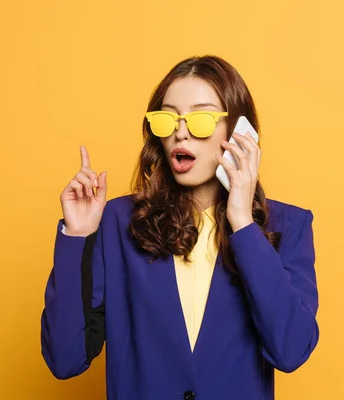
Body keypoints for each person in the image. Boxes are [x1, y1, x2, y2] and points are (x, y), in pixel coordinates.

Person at [40, 55, 319, 400]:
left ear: (239, 133)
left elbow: (290, 351)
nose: (180, 132)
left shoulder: (287, 226)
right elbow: (65, 359)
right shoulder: (116, 222)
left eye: (200, 119)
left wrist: (243, 223)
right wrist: (77, 237)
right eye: (167, 118)